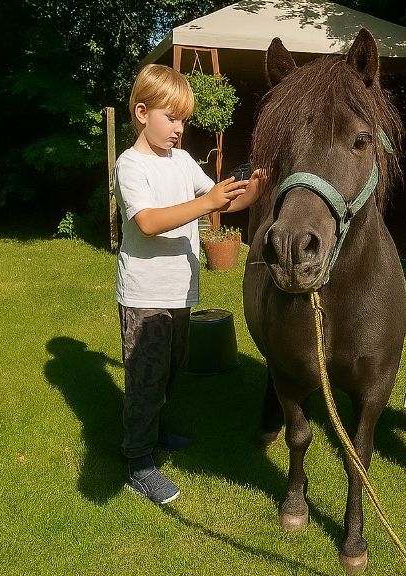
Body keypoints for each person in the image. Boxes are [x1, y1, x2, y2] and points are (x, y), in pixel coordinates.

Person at [114, 64, 263, 505]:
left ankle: (155, 433)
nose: (180, 128)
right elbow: (148, 223)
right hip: (144, 295)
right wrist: (207, 201)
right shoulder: (131, 165)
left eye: (184, 120)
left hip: (179, 294)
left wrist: (256, 185)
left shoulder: (181, 161)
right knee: (145, 378)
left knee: (170, 371)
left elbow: (221, 198)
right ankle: (138, 462)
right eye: (171, 117)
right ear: (142, 112)